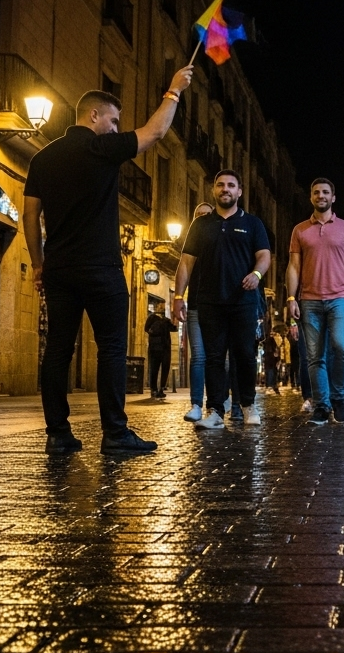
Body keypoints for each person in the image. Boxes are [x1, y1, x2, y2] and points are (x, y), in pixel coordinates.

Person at [23, 66, 193, 454]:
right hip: (101, 269)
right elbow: (155, 133)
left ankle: (58, 434)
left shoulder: (42, 159)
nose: (117, 128)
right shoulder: (101, 149)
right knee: (112, 349)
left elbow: (30, 215)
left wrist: (38, 263)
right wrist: (174, 91)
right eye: (113, 120)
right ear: (93, 115)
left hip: (60, 269)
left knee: (57, 349)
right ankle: (115, 434)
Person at [173, 170, 271, 429]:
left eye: (231, 185)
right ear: (214, 191)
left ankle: (248, 405)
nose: (225, 189)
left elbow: (264, 256)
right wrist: (177, 296)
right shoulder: (201, 224)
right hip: (209, 301)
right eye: (220, 185)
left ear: (239, 191)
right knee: (214, 357)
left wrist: (257, 274)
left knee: (245, 355)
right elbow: (186, 262)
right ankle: (215, 410)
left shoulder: (253, 224)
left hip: (243, 301)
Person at [286, 178, 344, 425]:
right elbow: (294, 266)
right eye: (316, 192)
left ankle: (338, 398)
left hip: (340, 297)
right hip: (309, 300)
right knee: (314, 355)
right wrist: (291, 297)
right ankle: (322, 405)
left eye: (325, 192)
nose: (321, 195)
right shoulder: (299, 230)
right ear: (311, 197)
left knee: (341, 347)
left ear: (333, 197)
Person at [180, 201, 214, 421]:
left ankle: (216, 405)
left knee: (218, 358)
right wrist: (178, 297)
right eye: (198, 215)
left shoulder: (218, 245)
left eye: (206, 216)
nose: (201, 218)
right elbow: (183, 267)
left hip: (218, 307)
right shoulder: (190, 247)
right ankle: (195, 404)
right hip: (194, 305)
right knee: (198, 357)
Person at [144, 303, 176, 399]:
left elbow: (174, 328)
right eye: (160, 306)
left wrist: (174, 318)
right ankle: (153, 389)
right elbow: (146, 329)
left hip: (165, 348)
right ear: (157, 307)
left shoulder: (166, 320)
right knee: (154, 368)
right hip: (155, 348)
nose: (162, 308)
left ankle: (161, 388)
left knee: (165, 368)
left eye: (163, 306)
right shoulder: (152, 318)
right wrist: (153, 333)